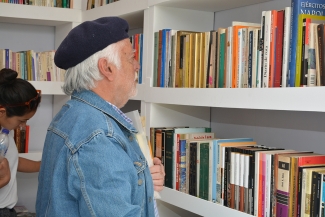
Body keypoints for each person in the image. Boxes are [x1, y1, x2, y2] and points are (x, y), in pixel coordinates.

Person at [36, 17, 165, 217]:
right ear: (107, 68)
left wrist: (144, 179)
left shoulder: (72, 114)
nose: (137, 65)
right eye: (130, 58)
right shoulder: (98, 136)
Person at [0, 68, 42, 217]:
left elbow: (13, 161)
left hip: (7, 209)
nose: (23, 126)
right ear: (2, 112)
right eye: (21, 121)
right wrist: (3, 180)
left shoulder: (5, 131)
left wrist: (40, 165)